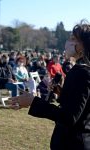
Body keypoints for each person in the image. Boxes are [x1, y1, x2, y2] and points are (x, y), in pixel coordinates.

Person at [10, 22, 90, 150]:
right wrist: (61, 93)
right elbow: (79, 105)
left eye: (73, 39)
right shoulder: (81, 70)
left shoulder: (83, 73)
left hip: (74, 143)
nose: (68, 42)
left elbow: (69, 117)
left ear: (83, 46)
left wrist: (33, 101)